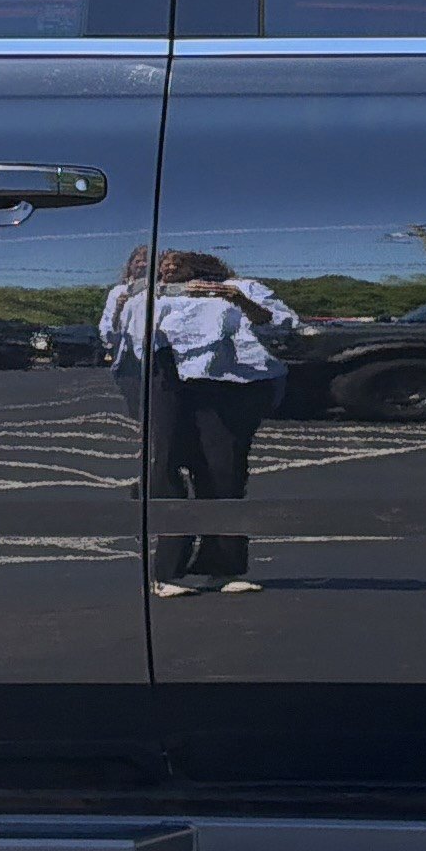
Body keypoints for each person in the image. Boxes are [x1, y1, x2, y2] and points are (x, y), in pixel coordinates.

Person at [109, 248, 297, 594]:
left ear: (201, 266)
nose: (165, 269)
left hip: (226, 384)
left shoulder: (240, 287)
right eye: (162, 266)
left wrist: (239, 300)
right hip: (165, 378)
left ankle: (224, 566)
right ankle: (166, 572)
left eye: (174, 263)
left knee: (223, 471)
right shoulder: (143, 293)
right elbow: (118, 337)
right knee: (165, 469)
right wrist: (125, 305)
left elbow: (282, 325)